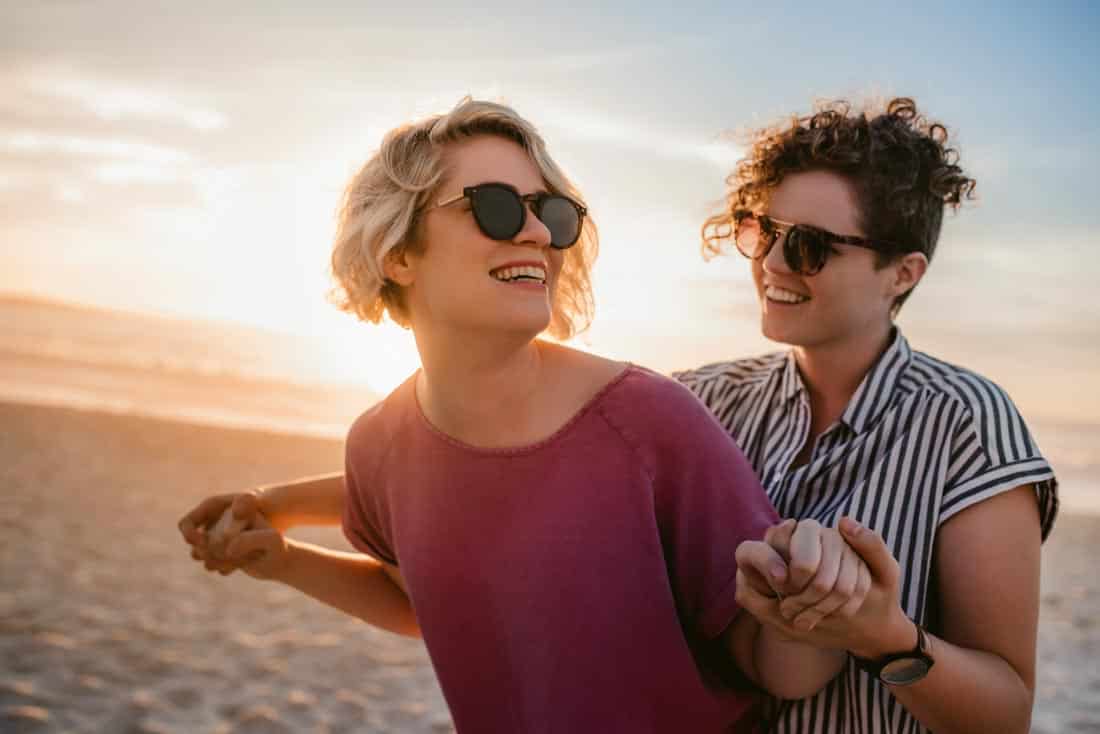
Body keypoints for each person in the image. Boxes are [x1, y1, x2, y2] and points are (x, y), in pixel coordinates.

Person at [179, 98, 870, 733]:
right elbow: (424, 604)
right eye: (498, 207)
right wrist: (285, 558)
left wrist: (812, 616)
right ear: (397, 252)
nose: (539, 232)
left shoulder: (649, 422)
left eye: (553, 212)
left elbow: (778, 666)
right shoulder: (379, 445)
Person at [678, 97, 1058, 733]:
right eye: (765, 231)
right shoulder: (702, 402)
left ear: (902, 274)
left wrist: (885, 638)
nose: (771, 263)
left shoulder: (966, 424)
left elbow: (1005, 713)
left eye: (809, 246)